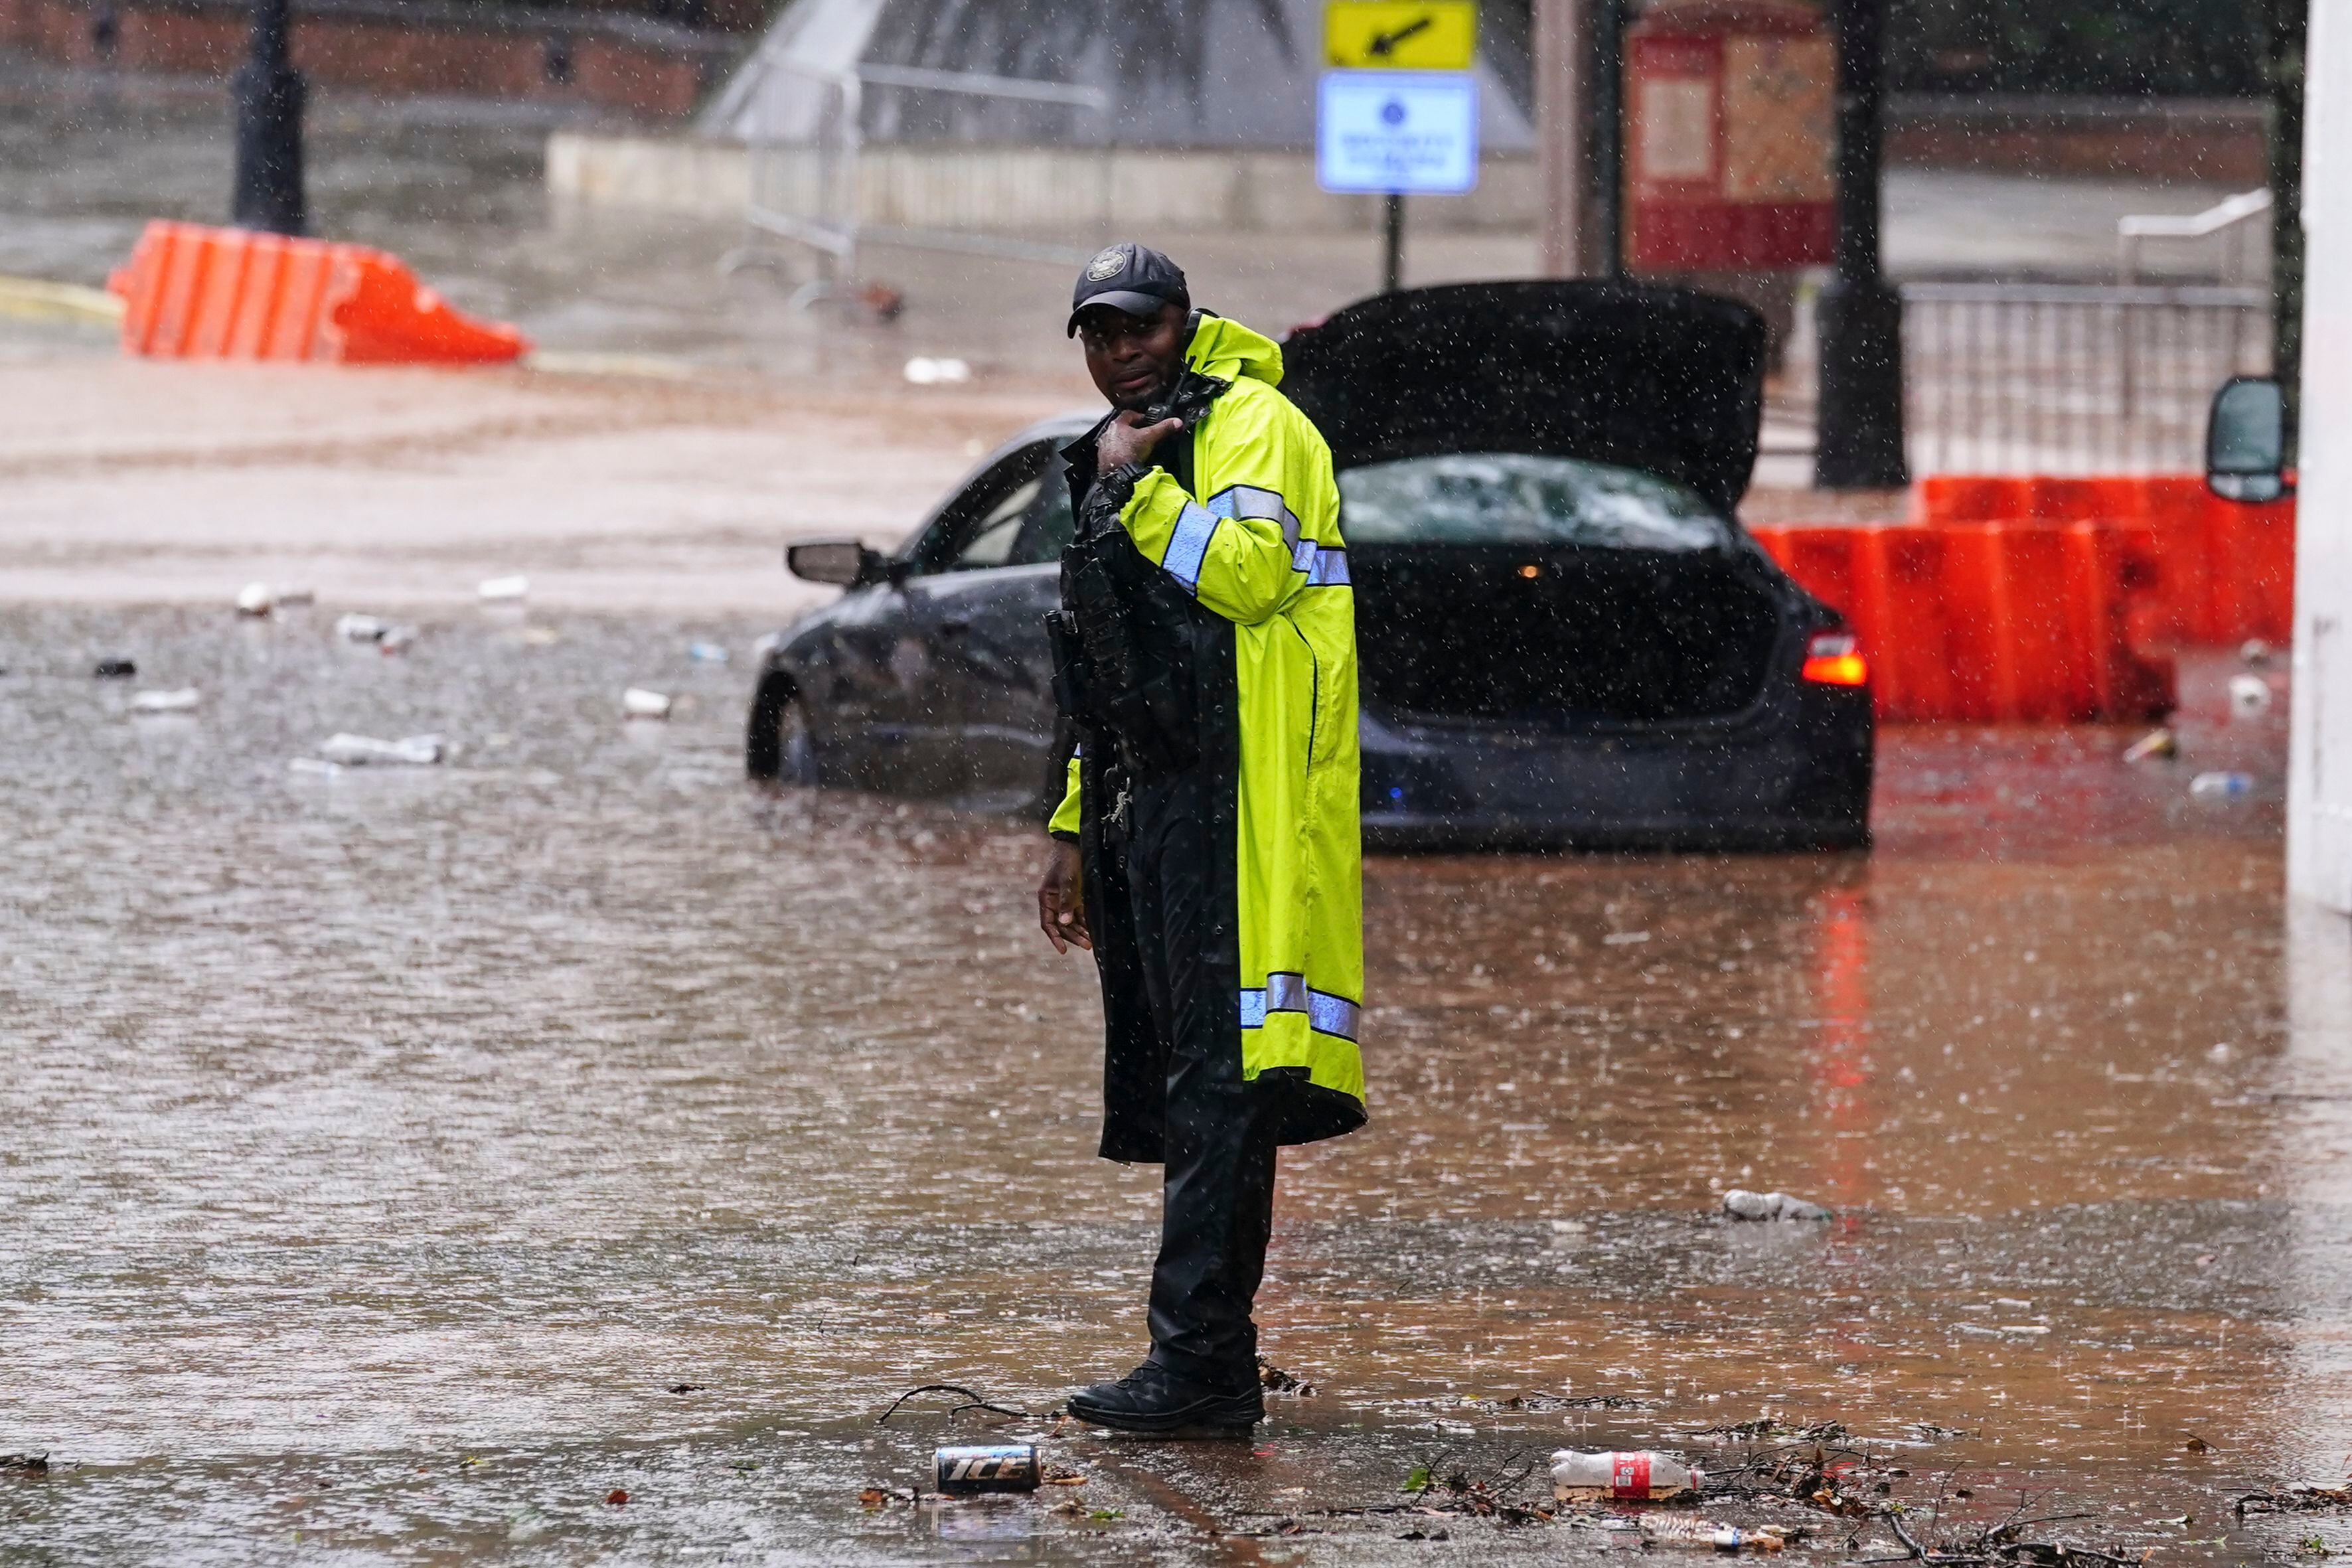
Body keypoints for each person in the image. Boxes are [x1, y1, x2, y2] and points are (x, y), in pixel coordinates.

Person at [1034, 242, 1366, 1434]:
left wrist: (1139, 488)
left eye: (1142, 328)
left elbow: (1248, 578)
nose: (1123, 353)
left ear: (1186, 321)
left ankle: (1203, 1366)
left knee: (1219, 1088)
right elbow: (1105, 665)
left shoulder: (1255, 426)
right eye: (1100, 335)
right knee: (1184, 1082)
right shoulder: (1125, 447)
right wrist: (1073, 831)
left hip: (1242, 803)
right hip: (1159, 803)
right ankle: (1203, 1360)